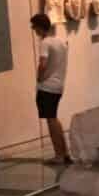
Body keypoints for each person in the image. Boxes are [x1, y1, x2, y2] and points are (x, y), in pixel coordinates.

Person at [29, 13, 70, 165]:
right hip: (59, 85)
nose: (34, 30)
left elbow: (43, 63)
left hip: (47, 87)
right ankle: (64, 152)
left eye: (34, 27)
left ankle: (59, 155)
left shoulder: (45, 43)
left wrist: (39, 77)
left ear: (39, 27)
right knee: (54, 118)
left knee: (50, 120)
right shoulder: (60, 41)